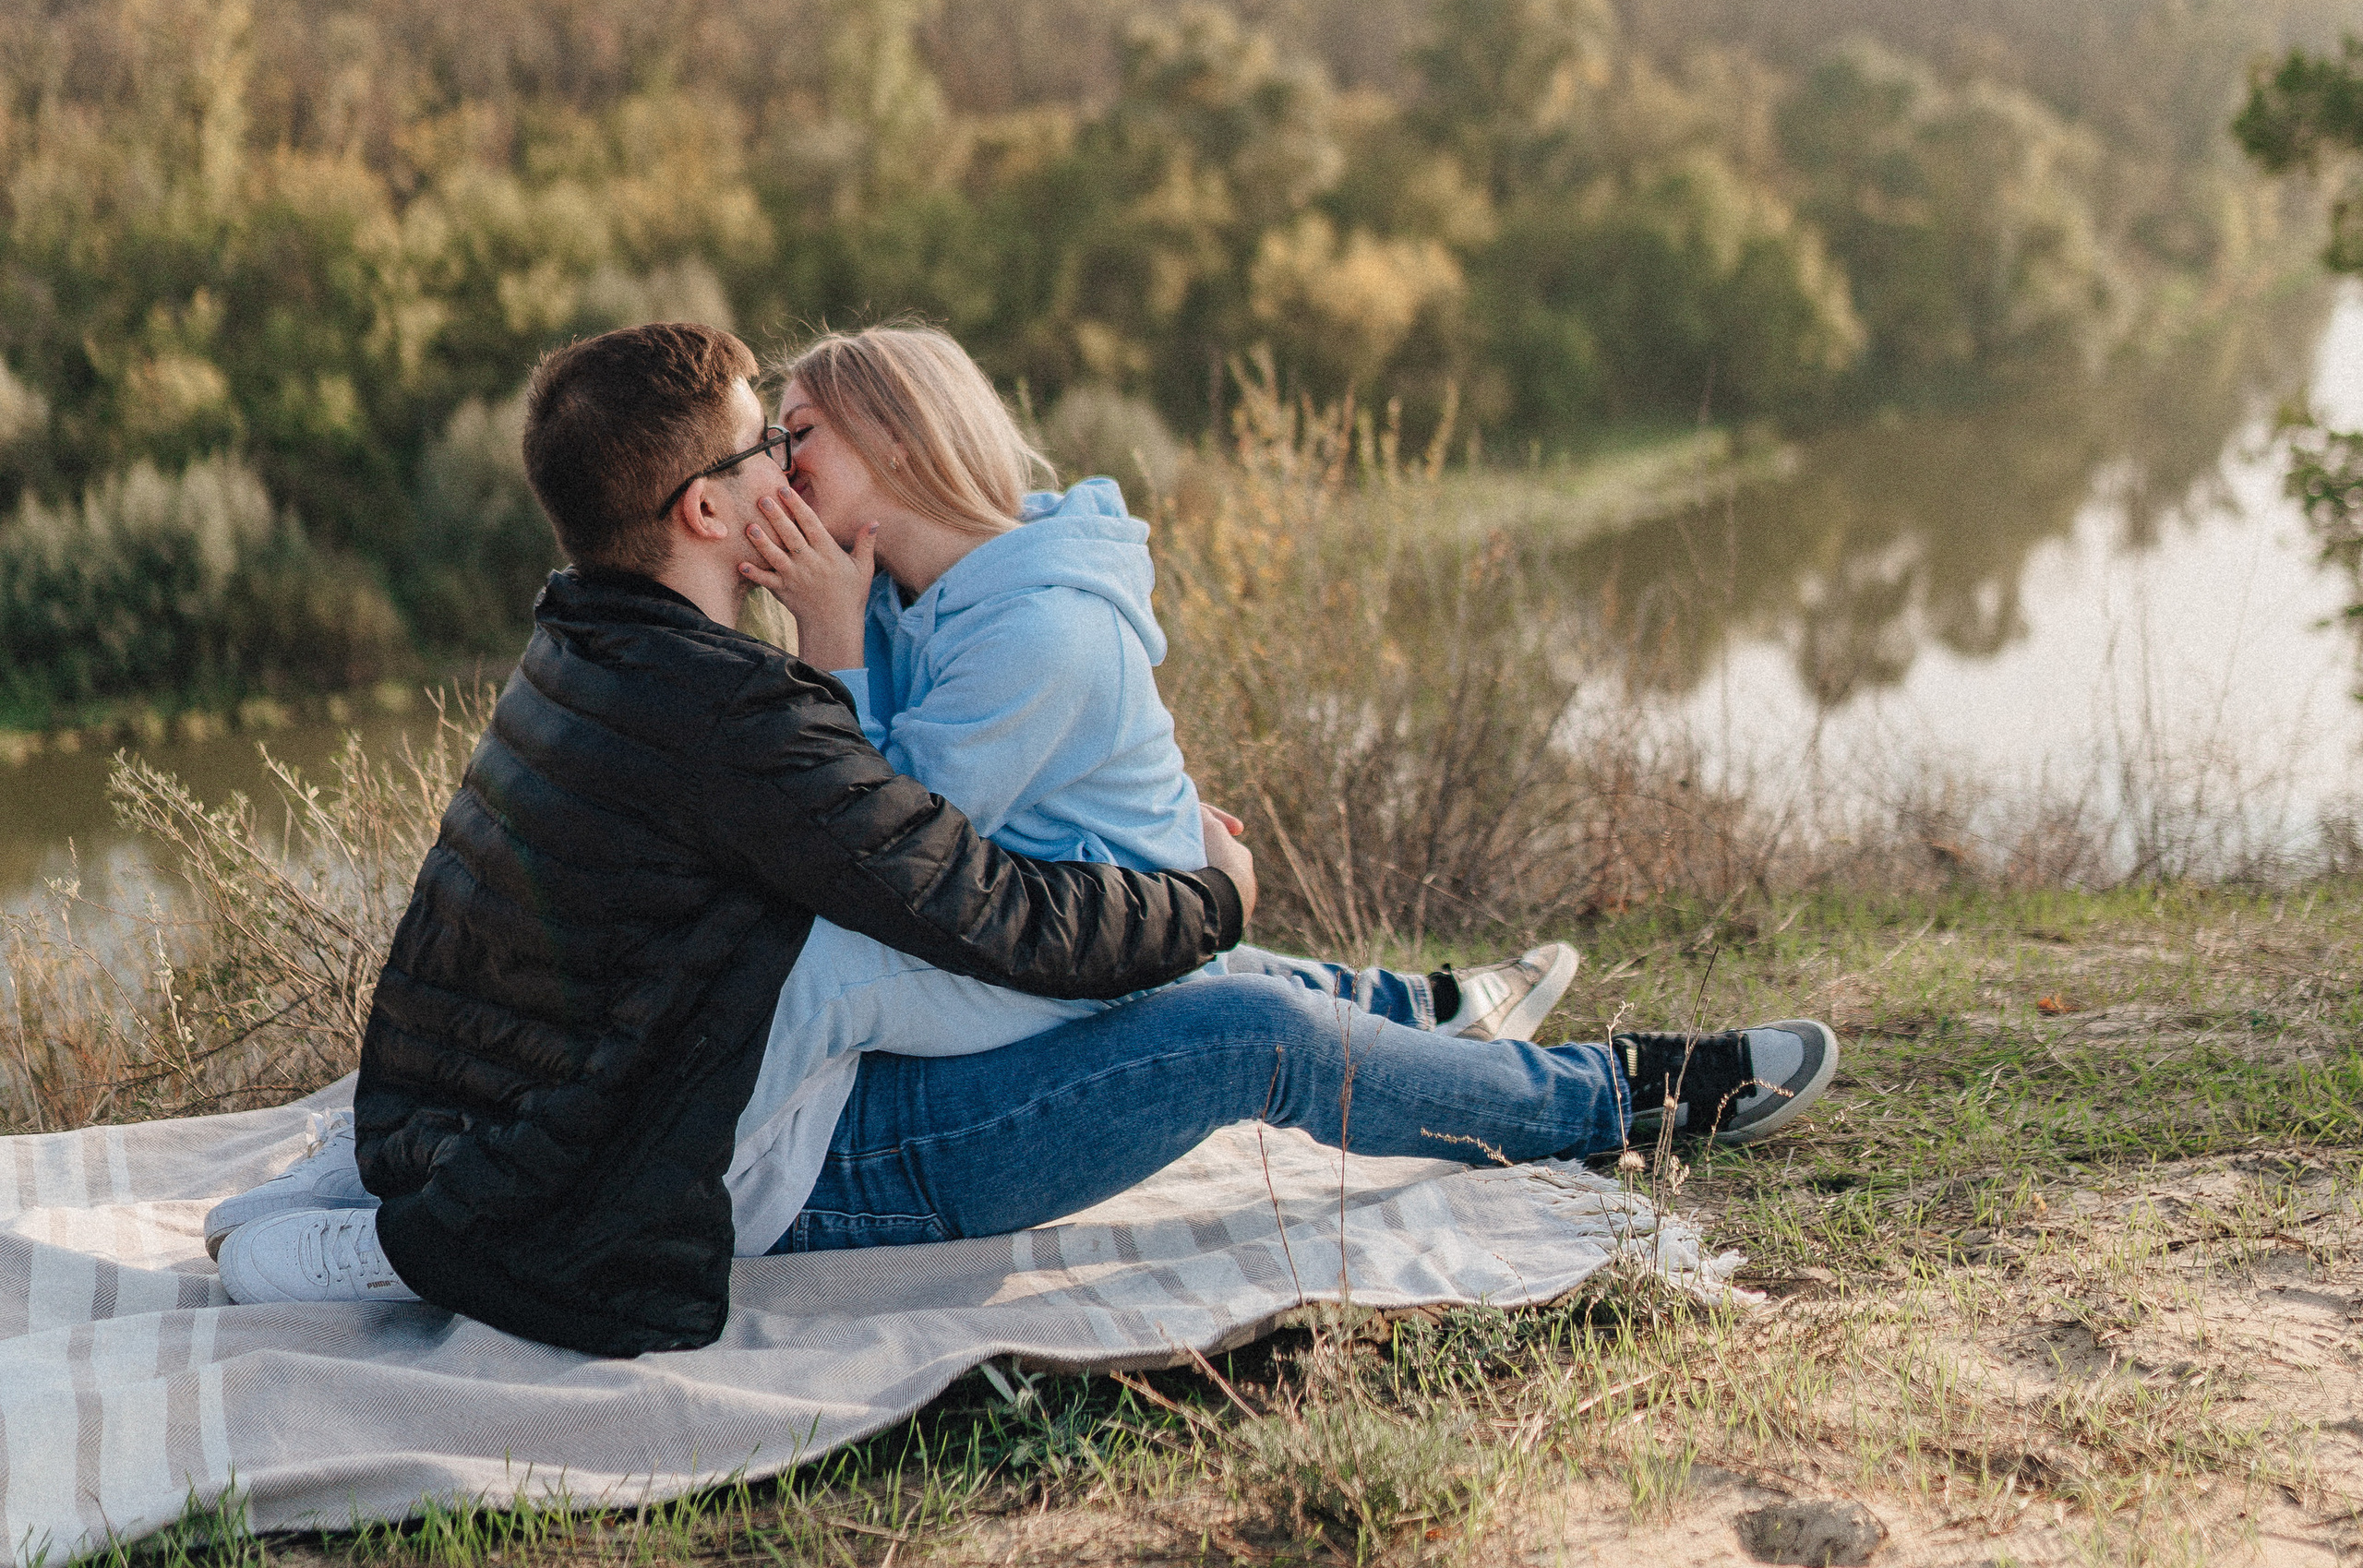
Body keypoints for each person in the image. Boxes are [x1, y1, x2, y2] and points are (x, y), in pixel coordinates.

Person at [211, 321, 1836, 1352]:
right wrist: (1208, 895)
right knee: (1229, 1020)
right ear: (705, 509)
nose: (784, 464)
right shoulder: (746, 691)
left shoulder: (600, 645)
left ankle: (1475, 1038)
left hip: (767, 1085)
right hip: (757, 1157)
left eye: (800, 439)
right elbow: (963, 894)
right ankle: (1612, 1092)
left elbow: (912, 867)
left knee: (1189, 999)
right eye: (765, 444)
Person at [718, 322, 1585, 1257]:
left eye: (800, 431)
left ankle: (1564, 1083)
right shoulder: (902, 594)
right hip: (1043, 909)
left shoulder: (1038, 628)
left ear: (898, 437)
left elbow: (884, 851)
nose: (781, 461)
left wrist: (830, 637)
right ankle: (1433, 1012)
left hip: (1096, 945)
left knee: (835, 971)